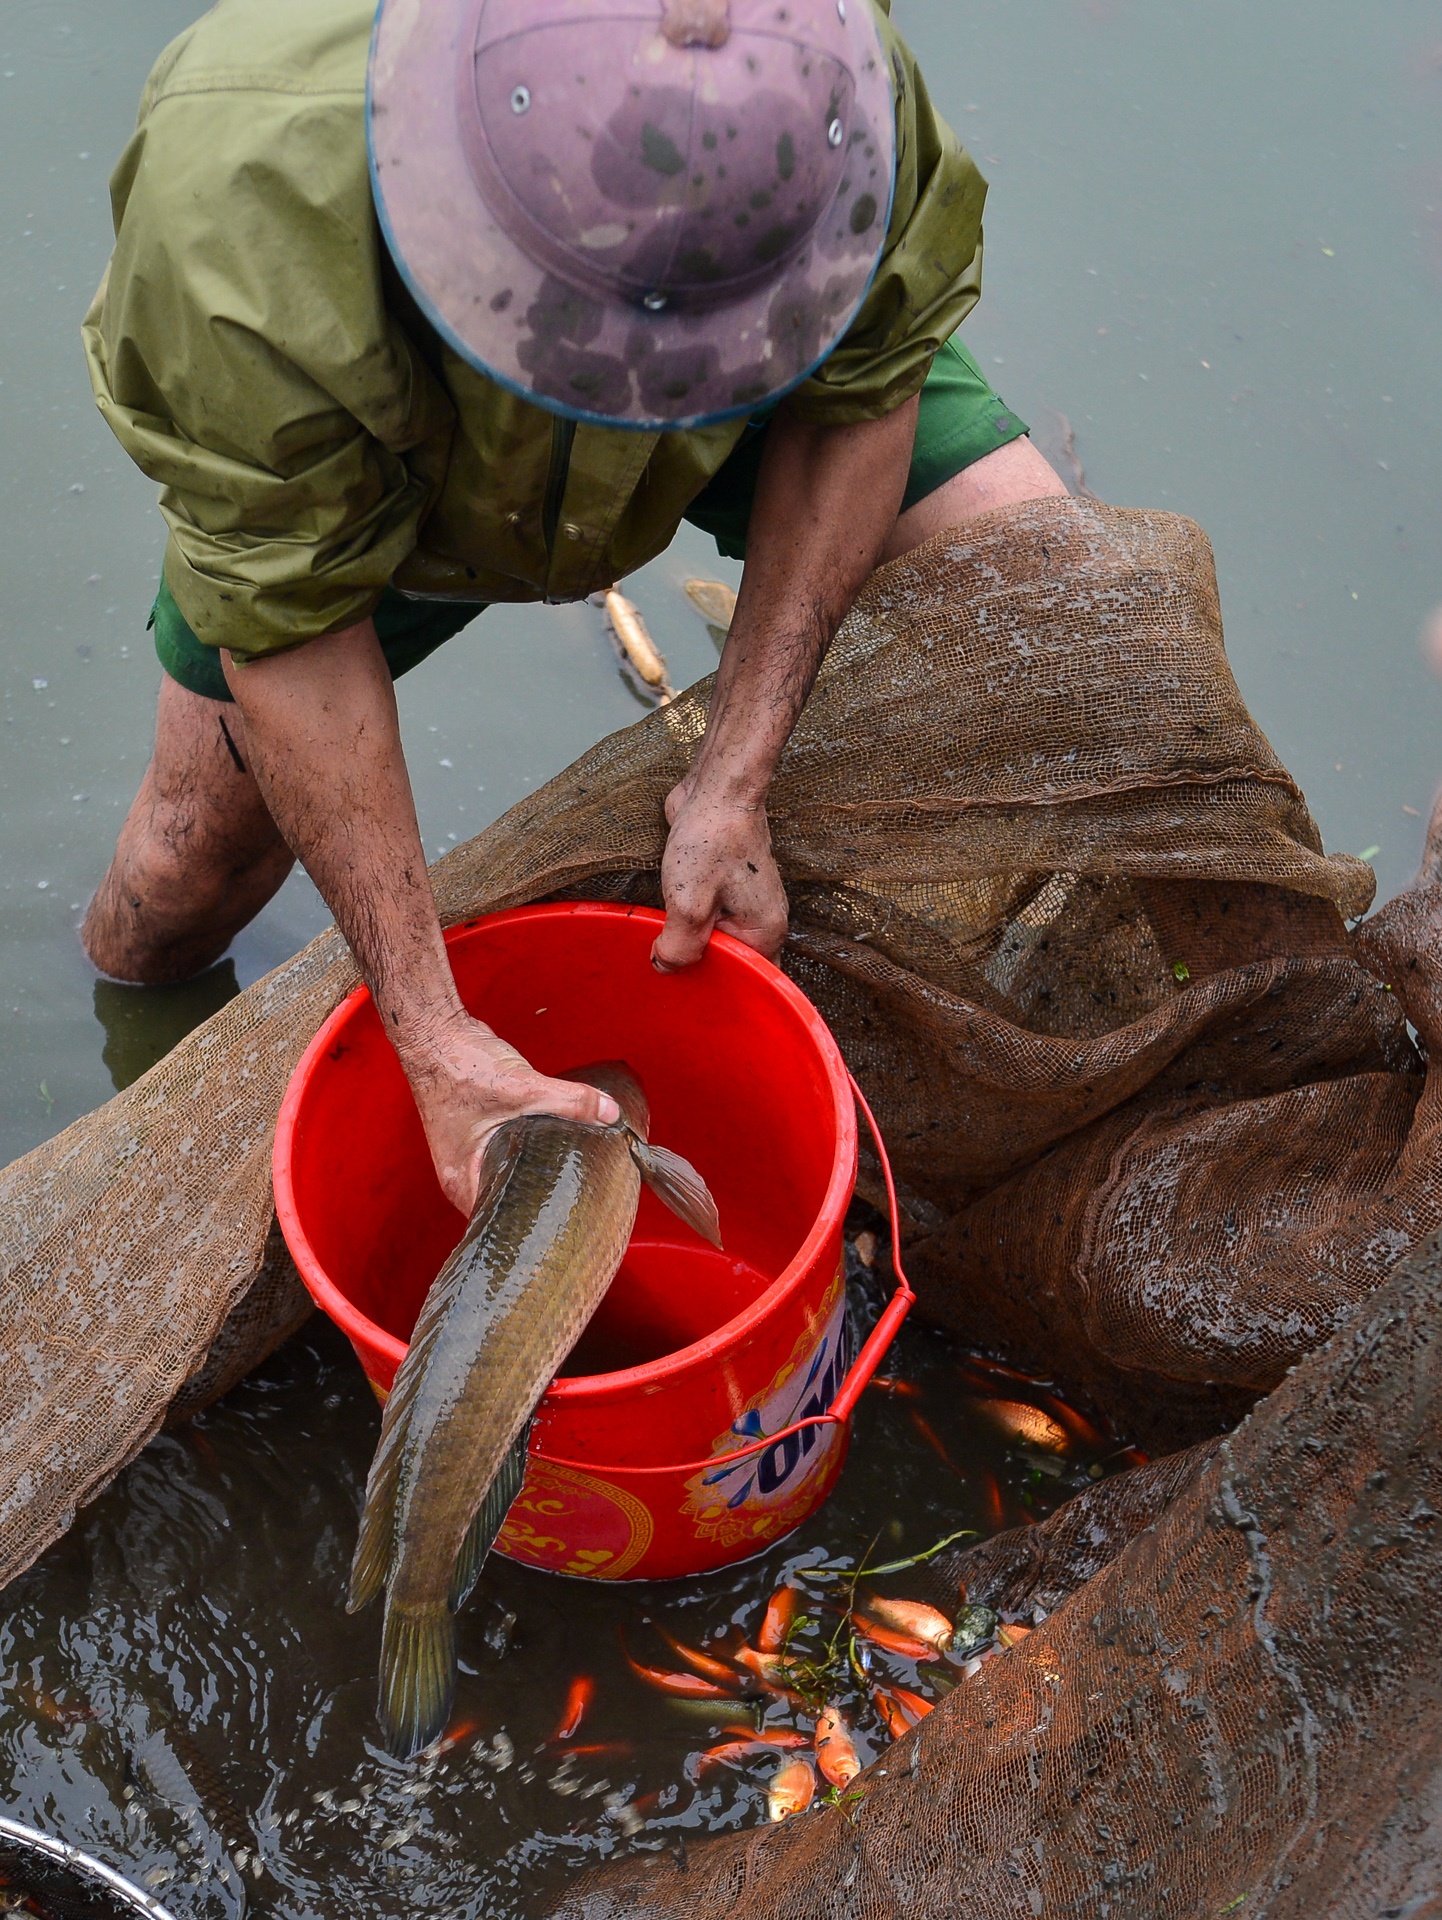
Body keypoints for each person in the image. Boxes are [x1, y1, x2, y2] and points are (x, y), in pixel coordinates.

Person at [80, 0, 1066, 1215]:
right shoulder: (239, 188)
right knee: (178, 875)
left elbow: (863, 384)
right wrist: (430, 1033)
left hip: (760, 362)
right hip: (387, 467)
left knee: (1059, 607)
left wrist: (735, 774)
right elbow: (288, 624)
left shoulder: (821, 80)